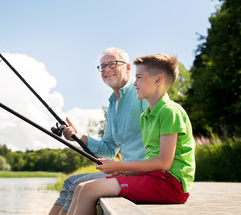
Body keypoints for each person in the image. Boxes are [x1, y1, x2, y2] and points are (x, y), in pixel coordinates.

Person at [66, 53, 196, 215]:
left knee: (89, 189)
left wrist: (119, 165)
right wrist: (126, 171)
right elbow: (151, 158)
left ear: (158, 80)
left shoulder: (170, 111)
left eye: (139, 77)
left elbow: (164, 163)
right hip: (153, 178)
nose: (134, 83)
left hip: (170, 185)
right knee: (80, 187)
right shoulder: (146, 116)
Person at [48, 47, 148, 215]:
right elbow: (109, 149)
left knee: (76, 185)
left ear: (128, 68)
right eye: (102, 67)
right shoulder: (112, 105)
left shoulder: (141, 94)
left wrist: (128, 168)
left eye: (113, 64)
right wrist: (80, 137)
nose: (106, 70)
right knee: (69, 182)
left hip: (139, 173)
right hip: (124, 171)